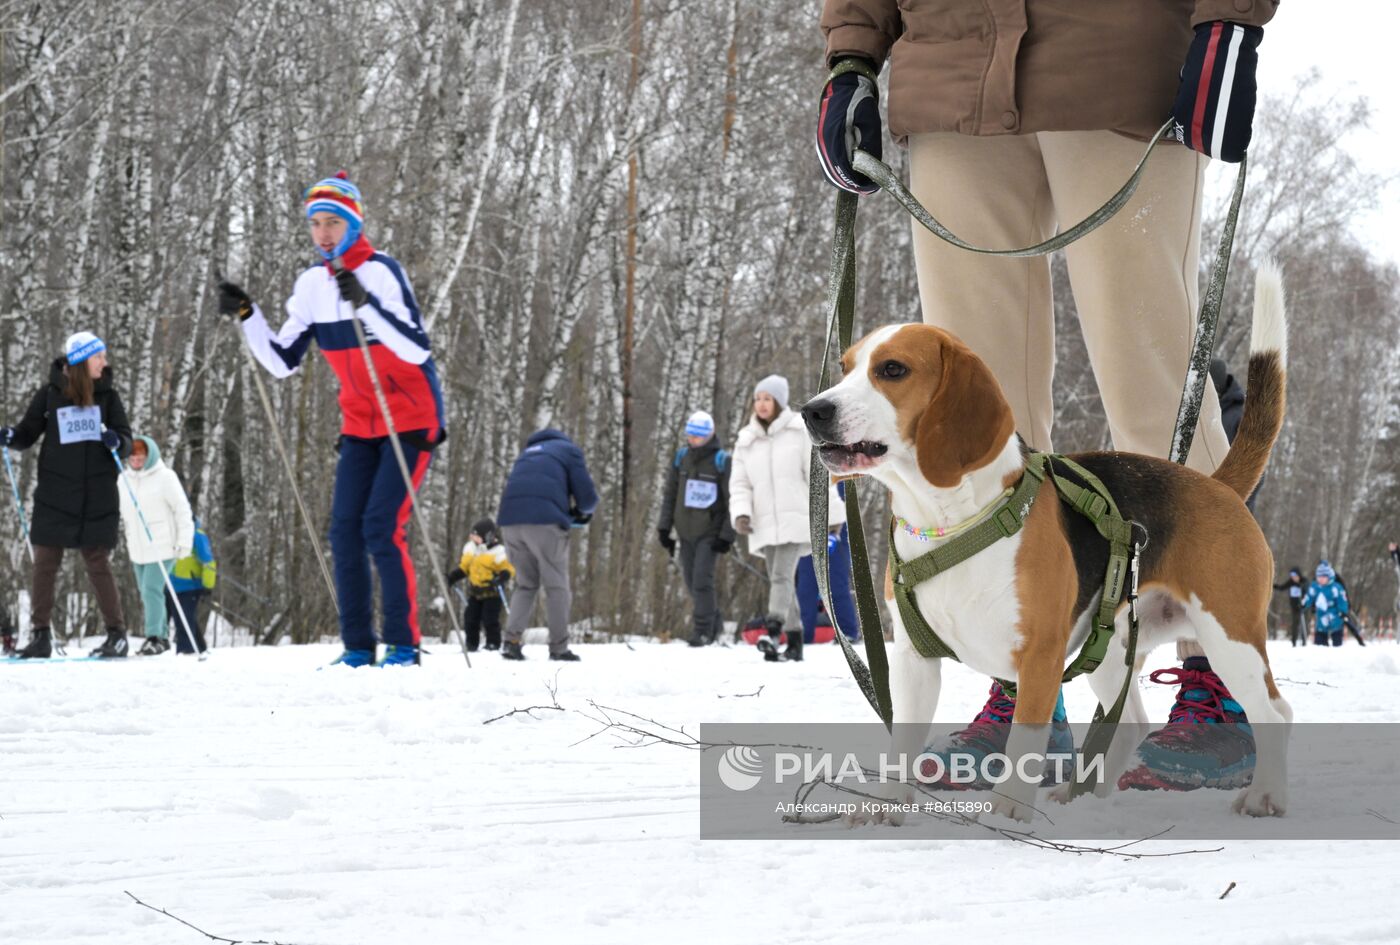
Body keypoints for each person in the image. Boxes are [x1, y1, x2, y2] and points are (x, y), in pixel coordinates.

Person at [817, 0, 1279, 787]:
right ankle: (1025, 683)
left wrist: (1230, 17)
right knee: (969, 414)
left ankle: (1214, 680)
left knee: (1151, 373)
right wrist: (852, 51)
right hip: (951, 69)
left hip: (1119, 60)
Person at [218, 171, 445, 667]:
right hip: (361, 424)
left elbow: (416, 348)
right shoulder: (310, 286)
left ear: (353, 225)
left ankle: (403, 645)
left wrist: (367, 306)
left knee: (381, 526)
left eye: (333, 223)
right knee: (344, 530)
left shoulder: (383, 271)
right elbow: (282, 361)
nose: (323, 233)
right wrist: (248, 315)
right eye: (316, 223)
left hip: (408, 416)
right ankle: (358, 647)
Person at [0, 332, 132, 658]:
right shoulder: (50, 395)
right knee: (45, 563)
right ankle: (41, 634)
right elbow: (28, 432)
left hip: (97, 493)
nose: (104, 362)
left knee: (97, 562)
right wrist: (11, 436)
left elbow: (126, 439)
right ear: (82, 361)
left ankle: (117, 635)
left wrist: (118, 442)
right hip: (56, 492)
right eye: (98, 356)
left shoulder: (109, 398)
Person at [729, 375, 846, 662]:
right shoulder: (746, 440)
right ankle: (794, 643)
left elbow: (819, 478)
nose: (761, 404)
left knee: (780, 576)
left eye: (767, 399)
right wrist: (741, 513)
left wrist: (833, 516)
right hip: (765, 523)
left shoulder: (798, 432)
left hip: (797, 520)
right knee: (780, 580)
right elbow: (740, 483)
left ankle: (773, 629)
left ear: (779, 402)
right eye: (758, 399)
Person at [496, 429, 597, 661]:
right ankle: (559, 648)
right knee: (556, 586)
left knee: (525, 584)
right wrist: (580, 513)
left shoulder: (525, 454)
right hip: (545, 523)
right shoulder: (568, 451)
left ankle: (511, 642)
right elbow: (588, 498)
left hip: (510, 523)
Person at [658, 410, 736, 647]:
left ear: (710, 435)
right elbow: (670, 495)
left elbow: (731, 499)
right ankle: (714, 623)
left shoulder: (722, 461)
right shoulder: (681, 458)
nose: (693, 440)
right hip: (685, 531)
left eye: (698, 436)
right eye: (690, 435)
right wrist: (664, 528)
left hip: (709, 533)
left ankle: (702, 631)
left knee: (702, 580)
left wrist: (726, 536)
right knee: (691, 581)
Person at [118, 435, 195, 656]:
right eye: (132, 456)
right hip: (137, 547)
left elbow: (182, 510)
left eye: (140, 456)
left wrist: (184, 542)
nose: (136, 460)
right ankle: (161, 636)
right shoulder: (124, 480)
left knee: (151, 589)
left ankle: (154, 636)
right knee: (146, 591)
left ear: (149, 455)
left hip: (162, 544)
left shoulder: (165, 478)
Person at [446, 517, 514, 652]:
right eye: (473, 536)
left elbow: (508, 569)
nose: (473, 539)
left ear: (488, 537)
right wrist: (453, 577)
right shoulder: (471, 549)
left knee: (490, 619)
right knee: (470, 618)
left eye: (477, 537)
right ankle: (471, 644)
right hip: (475, 593)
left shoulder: (498, 551)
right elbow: (465, 568)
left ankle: (493, 643)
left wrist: (502, 576)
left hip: (492, 592)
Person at [167, 517, 217, 654]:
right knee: (183, 618)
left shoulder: (197, 534)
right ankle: (200, 648)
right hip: (173, 584)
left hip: (191, 585)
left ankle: (186, 651)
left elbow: (208, 561)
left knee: (184, 619)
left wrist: (208, 585)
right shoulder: (171, 533)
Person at [1302, 561, 1349, 647]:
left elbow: (1342, 600)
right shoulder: (1315, 587)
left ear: (1329, 576)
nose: (1321, 579)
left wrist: (1343, 611)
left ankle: (1337, 650)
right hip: (1321, 617)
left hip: (1335, 617)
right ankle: (1321, 652)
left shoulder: (1336, 587)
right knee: (1320, 642)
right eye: (1319, 576)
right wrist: (1303, 604)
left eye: (1323, 576)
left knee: (1337, 640)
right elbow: (1309, 597)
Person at [1273, 567, 1307, 647]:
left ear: (1299, 575)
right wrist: (1272, 585)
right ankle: (1294, 642)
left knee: (1302, 623)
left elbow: (1307, 589)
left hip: (1302, 606)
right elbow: (1282, 588)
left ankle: (1304, 640)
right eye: (1292, 576)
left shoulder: (1304, 581)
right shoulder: (1291, 582)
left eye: (1295, 575)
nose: (1293, 578)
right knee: (1295, 623)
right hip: (1294, 606)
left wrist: (1300, 586)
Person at [1331, 571, 1367, 646]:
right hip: (1334, 609)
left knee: (1348, 623)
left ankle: (1360, 640)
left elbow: (1344, 594)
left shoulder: (1337, 581)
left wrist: (1347, 605)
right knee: (1347, 623)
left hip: (1342, 608)